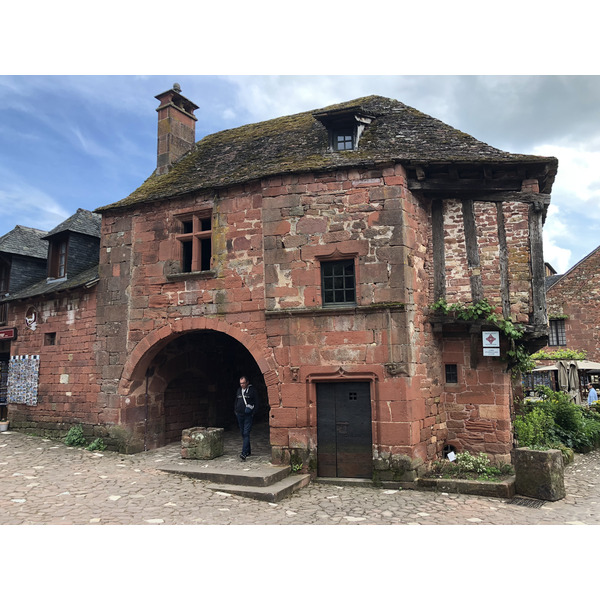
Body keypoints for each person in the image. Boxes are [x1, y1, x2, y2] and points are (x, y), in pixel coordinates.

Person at [234, 375, 258, 460]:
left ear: (247, 382)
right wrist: (236, 410)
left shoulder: (252, 391)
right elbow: (236, 400)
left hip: (248, 415)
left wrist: (253, 412)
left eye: (243, 383)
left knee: (246, 433)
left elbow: (256, 402)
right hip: (239, 414)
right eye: (241, 383)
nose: (242, 385)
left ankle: (244, 453)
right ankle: (248, 450)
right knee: (242, 433)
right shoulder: (239, 390)